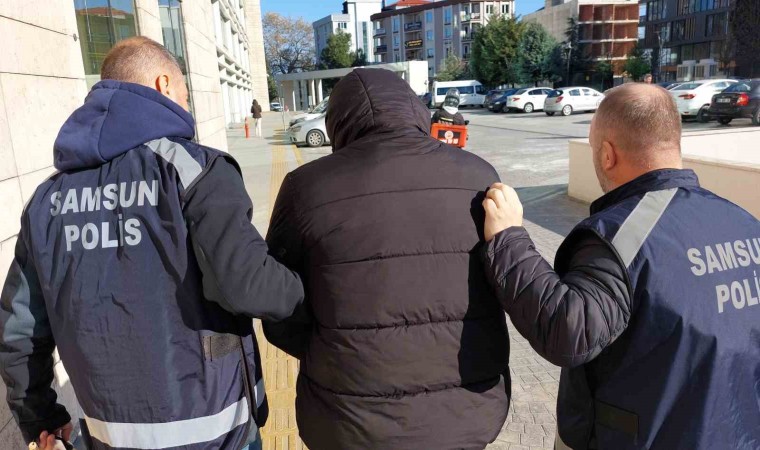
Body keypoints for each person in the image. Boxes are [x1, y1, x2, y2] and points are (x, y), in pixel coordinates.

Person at [0, 37, 305, 450]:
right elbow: (249, 285)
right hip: (217, 434)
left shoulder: (47, 201)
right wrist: (310, 291)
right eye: (185, 94)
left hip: (109, 439)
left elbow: (19, 329)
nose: (187, 105)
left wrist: (41, 417)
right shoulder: (196, 171)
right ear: (163, 85)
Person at [481, 83, 760, 449]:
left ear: (607, 155)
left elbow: (569, 331)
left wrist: (508, 240)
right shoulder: (744, 224)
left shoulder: (622, 237)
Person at [263, 68, 510, 449]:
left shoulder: (305, 187)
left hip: (349, 419)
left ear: (338, 121)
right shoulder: (478, 174)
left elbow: (278, 302)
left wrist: (332, 349)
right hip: (466, 411)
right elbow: (505, 279)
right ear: (413, 108)